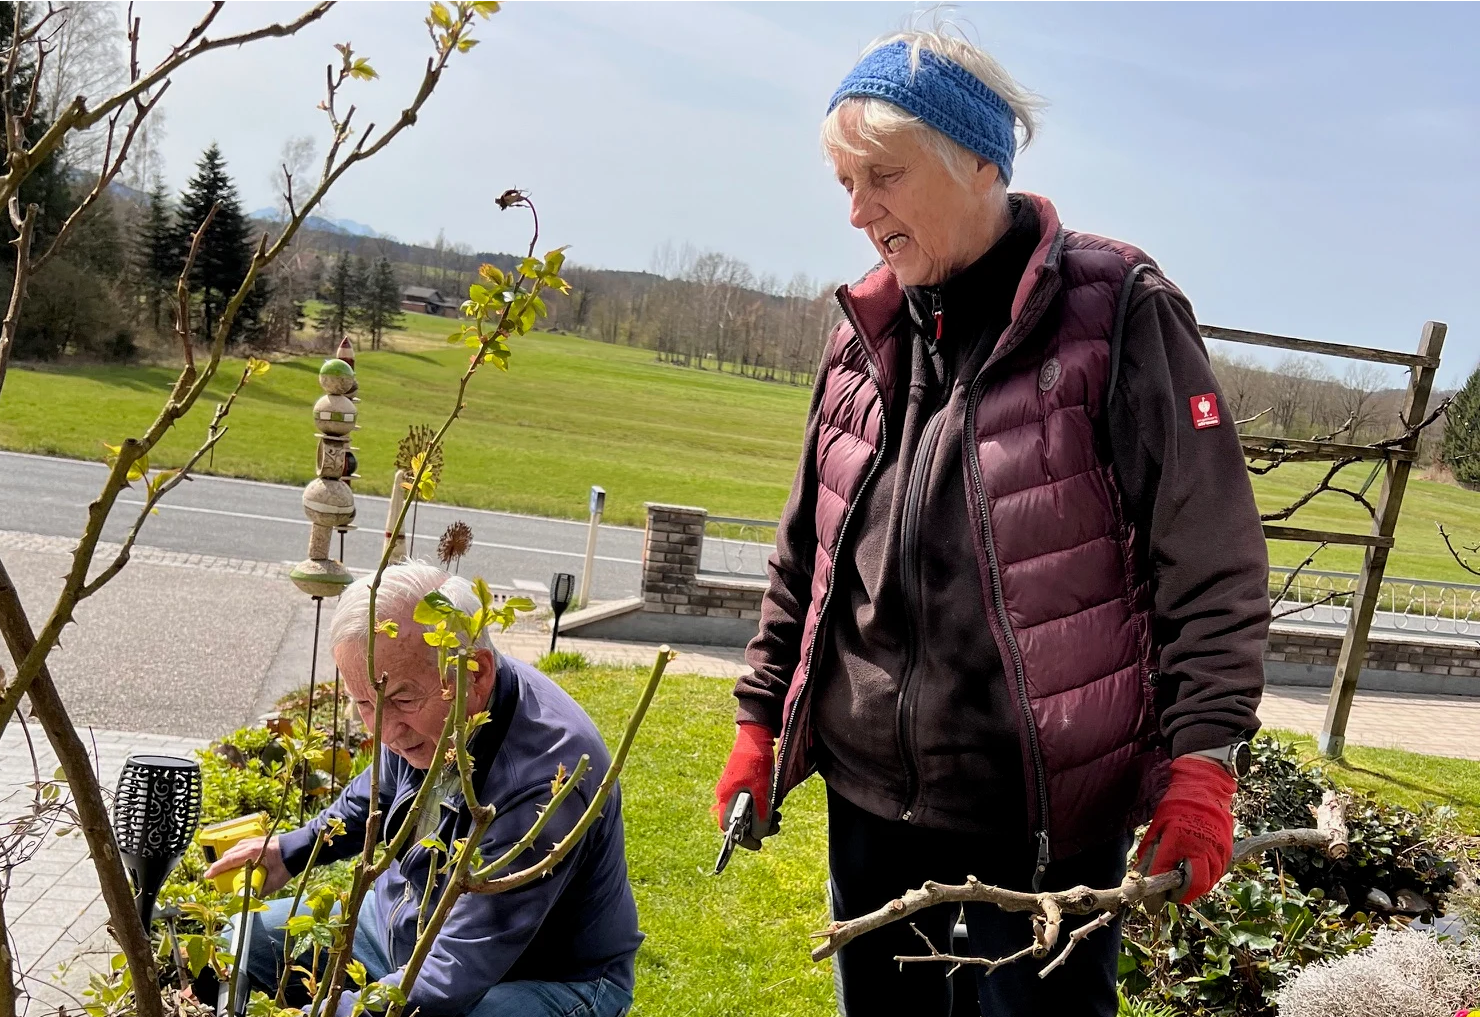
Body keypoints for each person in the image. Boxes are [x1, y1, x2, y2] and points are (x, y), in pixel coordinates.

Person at [713, 26, 1270, 1017]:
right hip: (872, 801)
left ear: (979, 161)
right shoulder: (862, 332)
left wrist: (1203, 767)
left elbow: (1211, 557)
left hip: (1046, 811)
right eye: (845, 182)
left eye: (882, 176)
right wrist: (759, 724)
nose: (857, 212)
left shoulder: (1116, 312)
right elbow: (807, 552)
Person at [205, 563, 641, 1017]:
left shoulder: (548, 780)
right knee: (243, 940)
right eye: (364, 703)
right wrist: (290, 851)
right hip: (400, 930)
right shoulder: (421, 706)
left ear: (476, 673)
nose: (384, 730)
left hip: (538, 977)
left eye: (403, 700)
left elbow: (454, 973)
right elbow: (375, 796)